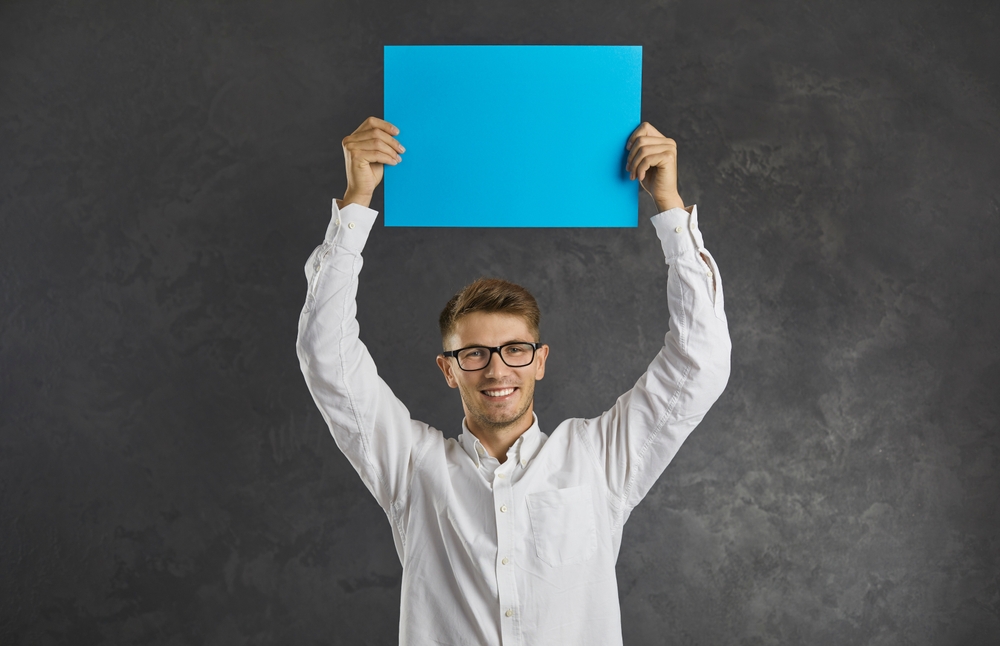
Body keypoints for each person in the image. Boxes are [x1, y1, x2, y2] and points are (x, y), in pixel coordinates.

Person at [296, 116, 731, 645]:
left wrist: (670, 208)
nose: (498, 369)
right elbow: (327, 356)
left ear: (540, 360)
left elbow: (700, 362)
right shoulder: (412, 468)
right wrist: (357, 202)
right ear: (449, 369)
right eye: (475, 353)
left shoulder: (598, 459)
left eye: (515, 351)